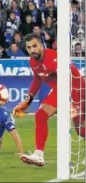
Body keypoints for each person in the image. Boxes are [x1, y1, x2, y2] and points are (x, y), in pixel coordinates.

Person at [13, 33, 85, 166]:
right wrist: (27, 103)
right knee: (40, 115)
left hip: (77, 89)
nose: (32, 50)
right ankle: (38, 155)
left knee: (81, 130)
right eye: (29, 47)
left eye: (35, 46)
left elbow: (71, 78)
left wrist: (72, 104)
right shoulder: (32, 61)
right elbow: (37, 80)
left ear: (41, 45)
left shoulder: (53, 58)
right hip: (60, 90)